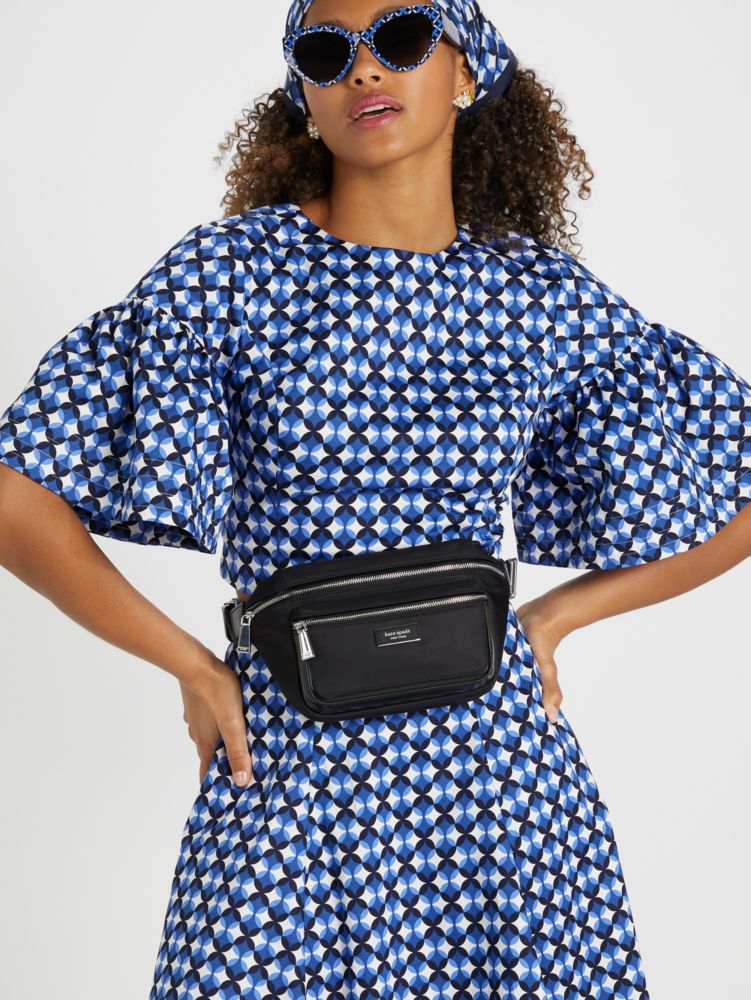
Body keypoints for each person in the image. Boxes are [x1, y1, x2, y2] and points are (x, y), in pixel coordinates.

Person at [0, 0, 749, 995]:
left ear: (468, 73)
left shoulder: (541, 297)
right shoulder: (229, 276)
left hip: (496, 775)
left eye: (399, 38)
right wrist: (192, 667)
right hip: (289, 761)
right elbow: (17, 497)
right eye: (326, 53)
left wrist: (558, 615)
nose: (362, 69)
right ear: (304, 100)